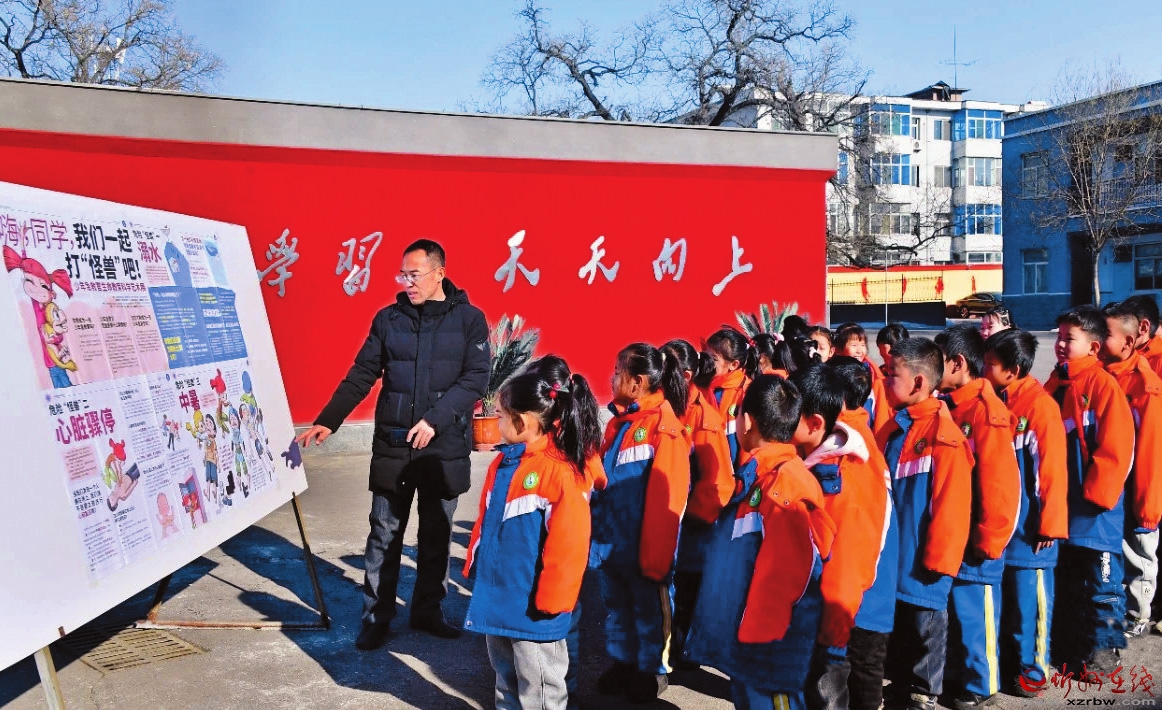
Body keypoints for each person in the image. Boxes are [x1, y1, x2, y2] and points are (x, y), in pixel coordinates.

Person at [296, 239, 489, 650]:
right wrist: (329, 419)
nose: (407, 282)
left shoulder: (470, 320)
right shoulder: (389, 319)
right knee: (384, 533)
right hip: (394, 445)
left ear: (439, 273)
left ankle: (428, 612)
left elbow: (476, 379)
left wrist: (435, 420)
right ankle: (376, 617)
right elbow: (362, 373)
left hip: (442, 448)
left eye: (414, 275)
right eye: (403, 275)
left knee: (436, 532)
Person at [686, 374, 837, 710]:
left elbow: (789, 573)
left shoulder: (784, 485)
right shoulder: (760, 478)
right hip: (749, 640)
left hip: (768, 648)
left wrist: (760, 639)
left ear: (747, 421)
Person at [462, 369, 601, 710]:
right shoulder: (504, 463)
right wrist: (476, 565)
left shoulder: (560, 471)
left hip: (536, 608)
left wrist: (553, 602)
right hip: (503, 596)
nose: (495, 423)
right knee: (506, 680)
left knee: (540, 688)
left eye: (500, 416)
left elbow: (569, 547)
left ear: (522, 422)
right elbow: (486, 523)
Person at [877, 337, 973, 710]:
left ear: (918, 382)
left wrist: (940, 562)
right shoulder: (893, 428)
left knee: (925, 626)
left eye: (892, 374)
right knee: (903, 626)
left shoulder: (944, 438)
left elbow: (952, 507)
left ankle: (922, 691)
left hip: (924, 562)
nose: (885, 380)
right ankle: (903, 684)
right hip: (896, 555)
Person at [591, 343, 691, 703]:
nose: (612, 378)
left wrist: (656, 558)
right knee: (618, 609)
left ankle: (652, 671)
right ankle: (623, 662)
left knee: (650, 613)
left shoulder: (664, 429)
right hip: (614, 544)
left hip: (645, 549)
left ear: (638, 382)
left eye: (618, 372)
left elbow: (670, 500)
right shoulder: (621, 422)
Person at [791, 364, 891, 710]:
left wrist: (831, 641)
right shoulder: (818, 460)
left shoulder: (845, 477)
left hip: (843, 621)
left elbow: (846, 565)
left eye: (790, 413)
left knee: (835, 692)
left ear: (815, 423)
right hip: (830, 615)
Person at [933, 325, 1022, 710]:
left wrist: (990, 537)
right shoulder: (950, 405)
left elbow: (1000, 482)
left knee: (976, 612)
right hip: (956, 532)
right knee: (956, 612)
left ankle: (981, 683)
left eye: (937, 362)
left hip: (977, 538)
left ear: (957, 364)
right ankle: (958, 675)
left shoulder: (986, 412)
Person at [1044, 306, 1135, 673]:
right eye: (1059, 337)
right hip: (1064, 506)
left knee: (1104, 583)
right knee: (1069, 581)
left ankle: (1106, 652)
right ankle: (1070, 648)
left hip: (1096, 510)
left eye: (1070, 338)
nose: (1060, 344)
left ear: (1094, 347)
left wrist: (1097, 499)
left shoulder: (1103, 386)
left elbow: (1117, 449)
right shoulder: (1055, 384)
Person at [982, 329, 1068, 695]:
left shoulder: (1039, 406)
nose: (983, 369)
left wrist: (1050, 524)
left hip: (1032, 533)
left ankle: (1034, 672)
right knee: (1009, 610)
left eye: (990, 364)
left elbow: (1051, 471)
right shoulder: (995, 401)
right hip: (1005, 530)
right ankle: (1009, 668)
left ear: (1012, 370)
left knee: (1031, 609)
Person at [828, 356, 899, 710]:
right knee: (863, 671)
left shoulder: (847, 448)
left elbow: (856, 528)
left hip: (860, 590)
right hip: (868, 588)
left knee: (860, 672)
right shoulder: (858, 435)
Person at [661, 339, 734, 669]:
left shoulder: (703, 416)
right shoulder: (666, 406)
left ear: (686, 375)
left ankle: (684, 652)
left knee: (688, 588)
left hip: (691, 524)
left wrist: (692, 516)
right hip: (669, 517)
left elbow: (718, 478)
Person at [1100, 303, 1162, 642]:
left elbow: (1151, 451)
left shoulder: (1145, 386)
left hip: (1139, 488)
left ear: (1131, 338)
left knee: (1140, 554)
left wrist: (1148, 506)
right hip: (1111, 487)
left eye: (1105, 334)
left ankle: (1139, 613)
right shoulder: (1101, 374)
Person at [699, 328, 756, 467]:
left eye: (713, 359)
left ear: (733, 365)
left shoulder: (746, 392)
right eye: (706, 355)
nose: (707, 362)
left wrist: (741, 477)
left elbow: (751, 444)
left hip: (733, 472)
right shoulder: (702, 389)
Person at [835, 322, 890, 433]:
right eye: (854, 345)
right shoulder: (833, 373)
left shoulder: (873, 375)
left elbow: (880, 412)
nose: (859, 350)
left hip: (865, 428)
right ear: (838, 349)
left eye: (863, 345)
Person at [1120, 294, 1162, 376]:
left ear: (1143, 327)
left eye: (1125, 325)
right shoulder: (1122, 354)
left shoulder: (1159, 361)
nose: (1119, 331)